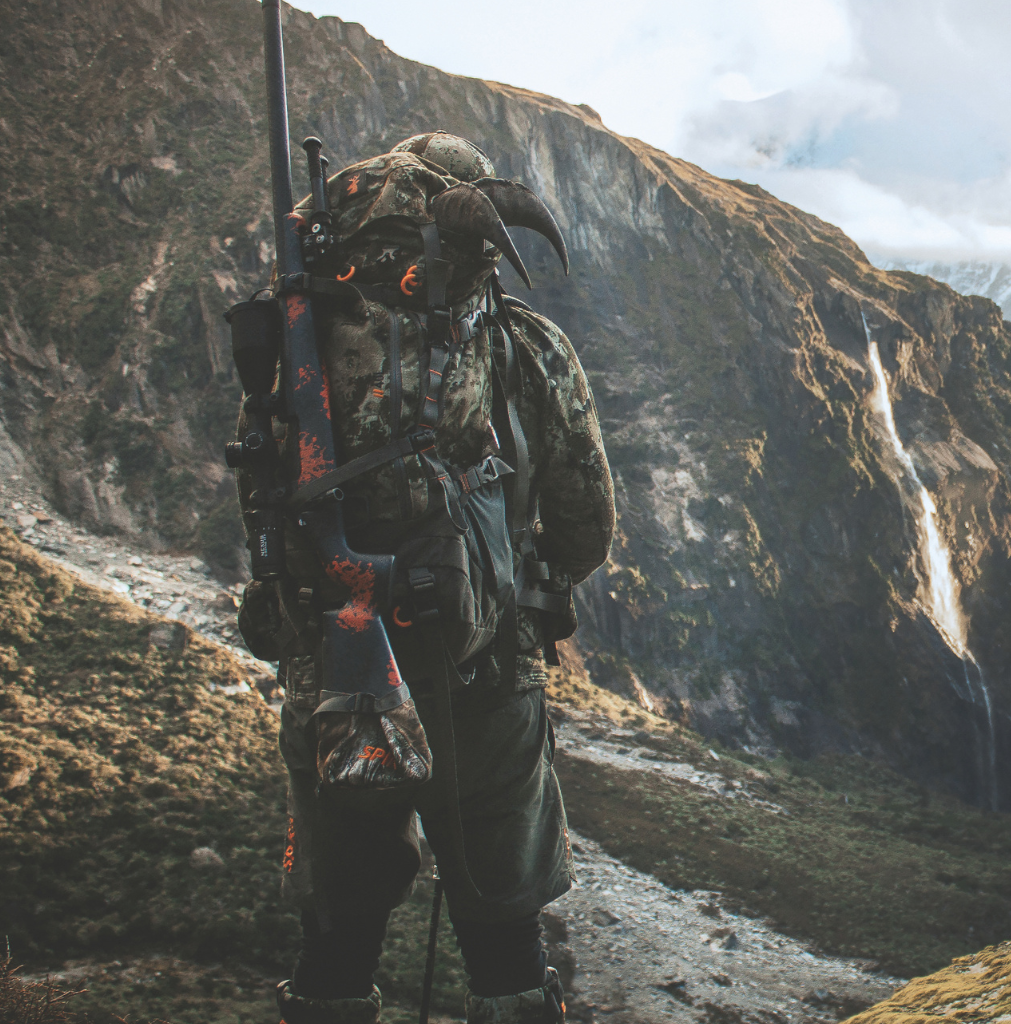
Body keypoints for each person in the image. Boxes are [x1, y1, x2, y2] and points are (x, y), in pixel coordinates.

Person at [235, 131, 613, 1024]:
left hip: (337, 673)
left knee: (337, 935)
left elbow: (262, 491)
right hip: (484, 682)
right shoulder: (529, 347)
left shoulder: (295, 337)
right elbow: (585, 529)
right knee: (503, 928)